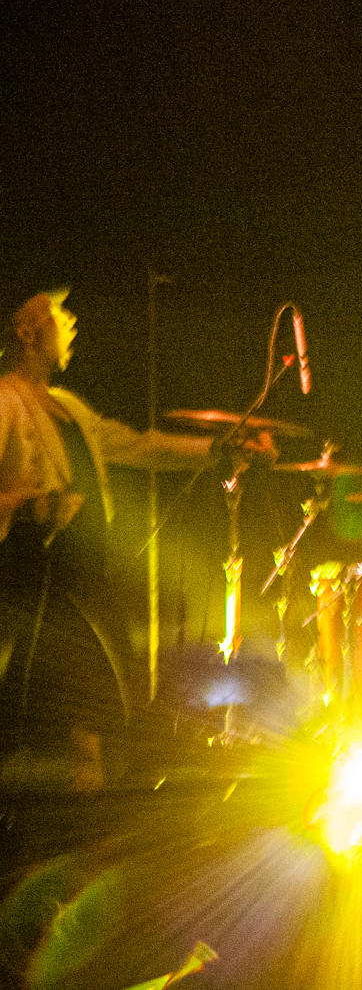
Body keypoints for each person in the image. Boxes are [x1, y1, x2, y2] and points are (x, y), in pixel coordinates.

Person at [0, 287, 217, 782]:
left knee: (107, 696)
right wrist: (30, 506)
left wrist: (218, 449)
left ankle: (91, 805)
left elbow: (136, 445)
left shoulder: (68, 406)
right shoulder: (5, 400)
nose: (71, 320)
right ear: (26, 329)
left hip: (87, 575)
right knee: (74, 704)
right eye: (58, 312)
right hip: (43, 580)